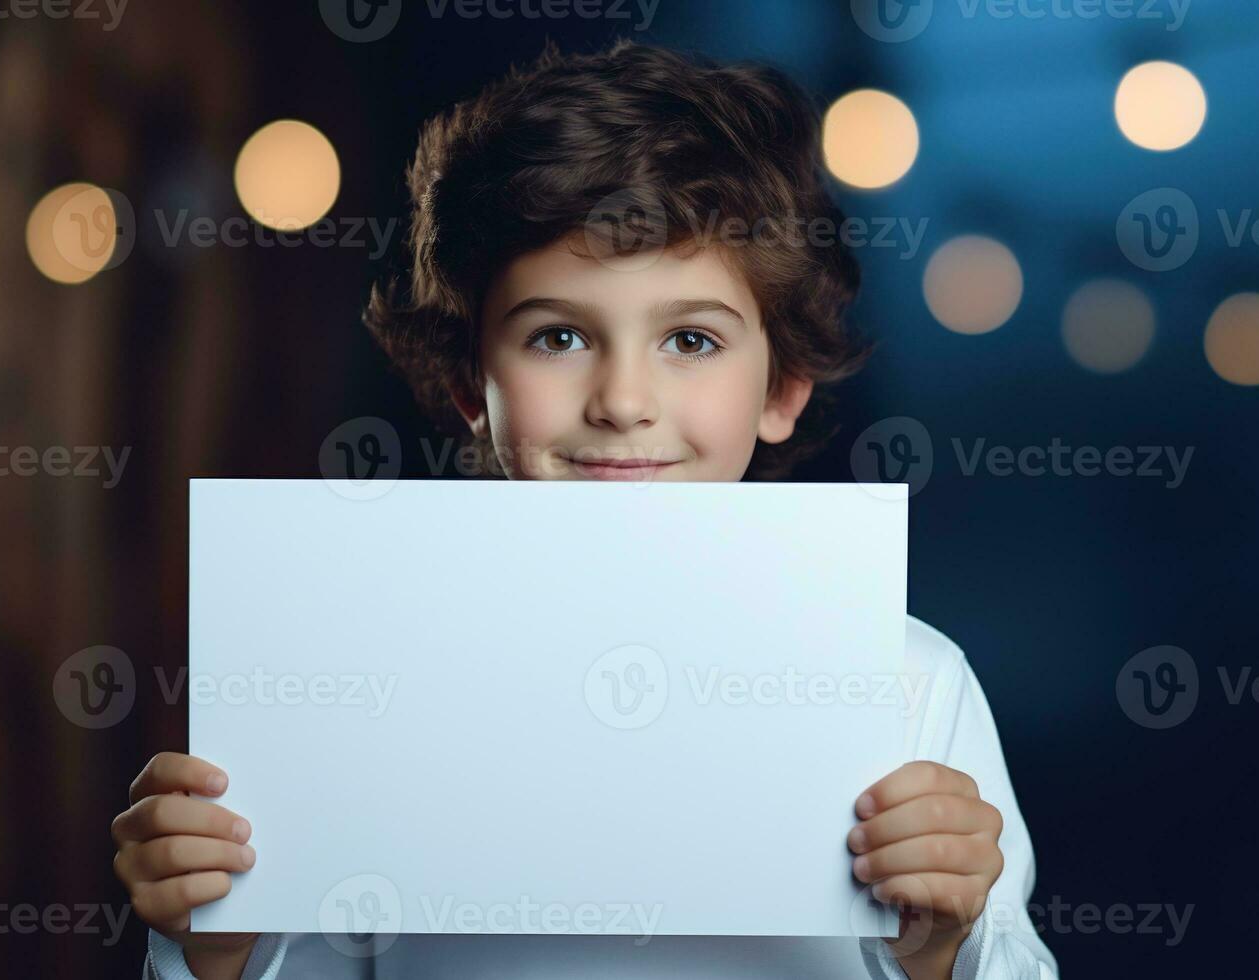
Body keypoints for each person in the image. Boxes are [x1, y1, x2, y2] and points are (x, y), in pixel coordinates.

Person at [112, 40, 1059, 980]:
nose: (621, 400)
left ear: (784, 385)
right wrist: (214, 951)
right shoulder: (358, 681)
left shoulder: (910, 684)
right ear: (464, 381)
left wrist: (942, 950)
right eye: (559, 336)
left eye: (691, 339)